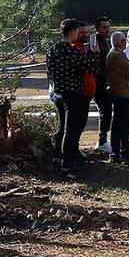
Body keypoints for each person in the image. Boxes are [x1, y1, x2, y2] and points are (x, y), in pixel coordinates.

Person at [46, 19, 92, 171]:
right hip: (72, 93)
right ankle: (67, 161)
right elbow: (88, 67)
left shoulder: (52, 50)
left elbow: (49, 72)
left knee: (62, 125)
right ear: (72, 32)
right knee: (70, 128)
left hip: (57, 92)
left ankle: (56, 155)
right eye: (78, 32)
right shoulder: (72, 52)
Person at [103, 30, 129, 161]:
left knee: (123, 123)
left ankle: (124, 151)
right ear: (122, 42)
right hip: (120, 94)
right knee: (119, 124)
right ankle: (116, 152)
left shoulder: (119, 54)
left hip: (124, 93)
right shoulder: (116, 56)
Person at [90, 17, 116, 155]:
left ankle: (103, 140)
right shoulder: (95, 43)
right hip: (98, 85)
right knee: (105, 111)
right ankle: (102, 141)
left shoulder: (104, 42)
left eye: (108, 27)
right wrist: (103, 81)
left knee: (106, 112)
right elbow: (96, 65)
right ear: (97, 28)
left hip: (103, 83)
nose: (107, 30)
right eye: (104, 27)